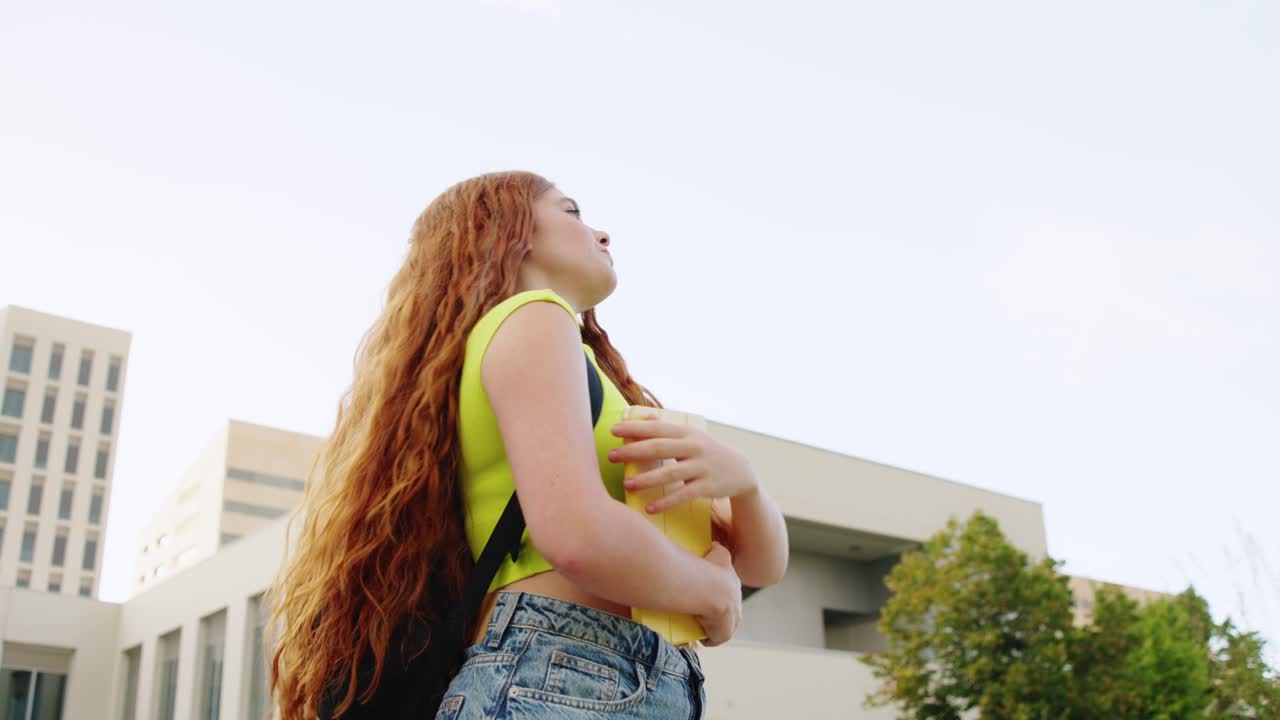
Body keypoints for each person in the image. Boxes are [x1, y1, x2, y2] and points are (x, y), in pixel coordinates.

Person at [268, 171, 789, 720]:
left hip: (587, 675)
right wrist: (710, 592)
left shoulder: (583, 372)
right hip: (568, 669)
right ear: (506, 229)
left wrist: (746, 487)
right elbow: (576, 534)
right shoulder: (535, 316)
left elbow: (759, 567)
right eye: (571, 211)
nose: (602, 233)